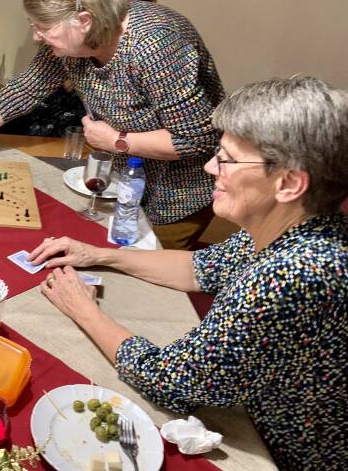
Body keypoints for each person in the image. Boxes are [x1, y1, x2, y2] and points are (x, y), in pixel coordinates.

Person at [28, 77, 348, 470]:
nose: (211, 167)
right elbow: (197, 268)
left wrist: (83, 308)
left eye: (227, 159)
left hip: (284, 452)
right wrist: (99, 254)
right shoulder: (296, 223)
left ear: (289, 183)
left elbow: (167, 381)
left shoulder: (292, 274)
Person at [0, 0, 224, 249]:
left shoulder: (155, 44)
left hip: (176, 196)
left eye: (44, 27)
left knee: (145, 268)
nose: (37, 37)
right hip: (123, 182)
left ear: (84, 20)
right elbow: (22, 90)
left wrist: (117, 141)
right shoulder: (73, 43)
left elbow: (198, 138)